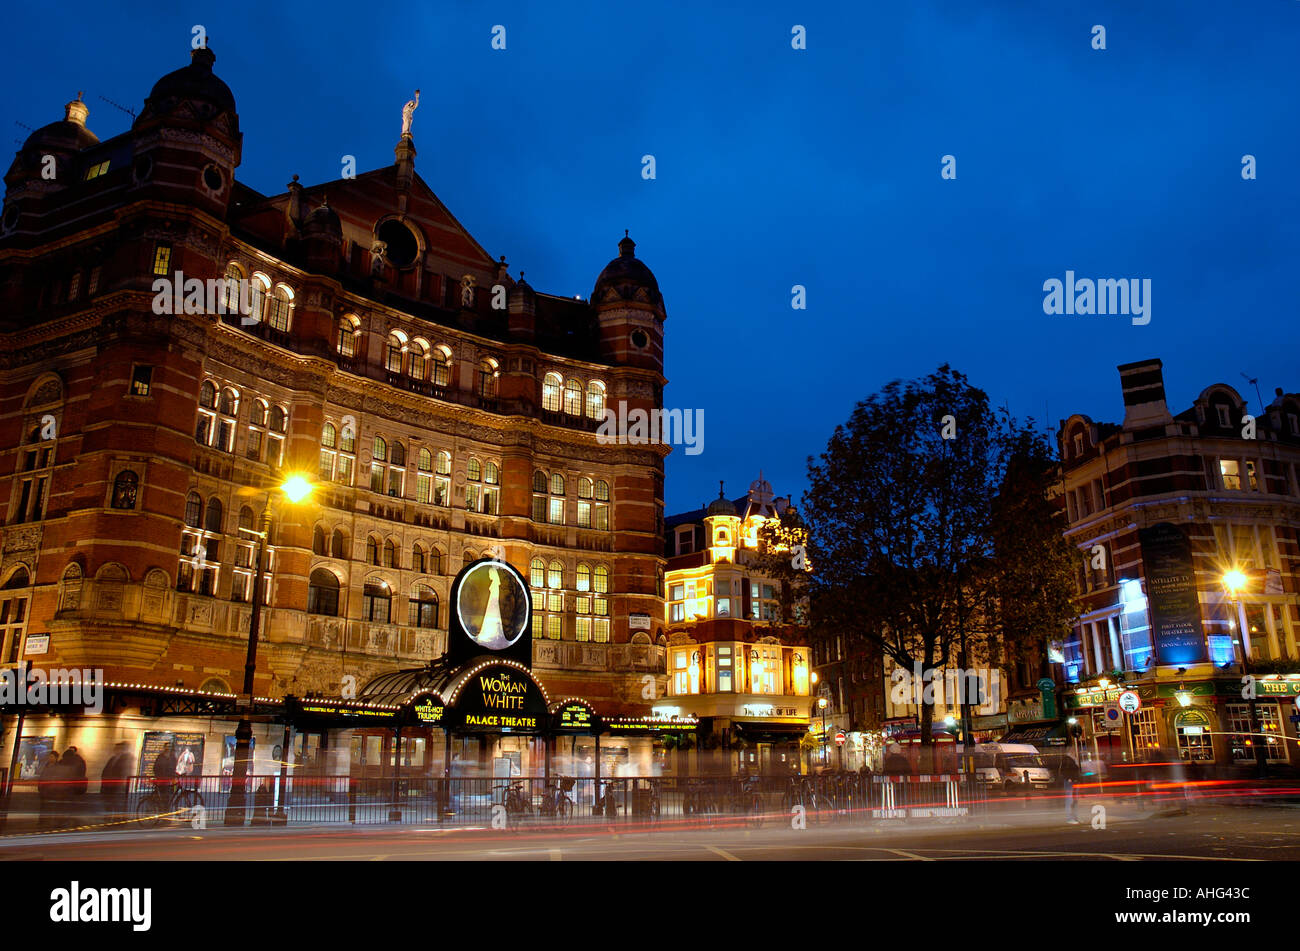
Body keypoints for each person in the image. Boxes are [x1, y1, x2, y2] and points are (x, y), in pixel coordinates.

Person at [100, 742, 134, 820]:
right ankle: (109, 818)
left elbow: (125, 771)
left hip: (117, 785)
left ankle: (118, 820)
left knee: (117, 803)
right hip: (109, 785)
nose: (115, 750)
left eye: (118, 748)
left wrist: (122, 783)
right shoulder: (113, 758)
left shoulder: (127, 758)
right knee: (109, 802)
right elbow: (106, 770)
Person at [37, 750, 63, 830]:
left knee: (50, 806)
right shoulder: (46, 766)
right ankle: (42, 821)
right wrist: (40, 785)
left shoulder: (57, 767)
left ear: (56, 758)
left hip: (51, 790)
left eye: (52, 756)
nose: (50, 758)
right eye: (50, 756)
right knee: (43, 806)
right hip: (44, 789)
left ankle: (48, 822)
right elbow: (42, 776)